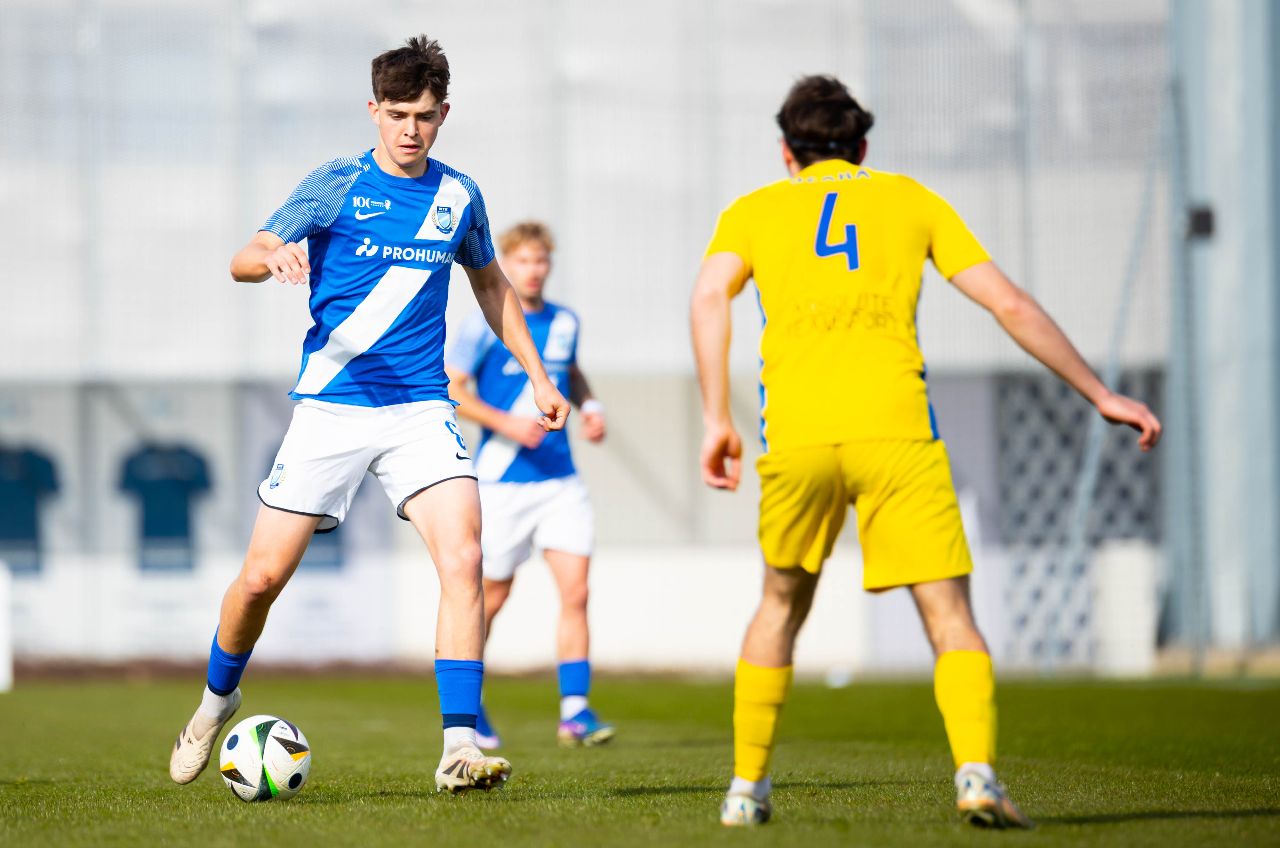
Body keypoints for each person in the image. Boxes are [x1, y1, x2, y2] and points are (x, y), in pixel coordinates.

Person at [690, 75, 1161, 828]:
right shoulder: (911, 200)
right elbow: (1008, 303)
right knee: (948, 616)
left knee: (778, 606)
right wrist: (1099, 392)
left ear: (786, 151)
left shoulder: (752, 211)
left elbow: (709, 295)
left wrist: (718, 416)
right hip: (898, 434)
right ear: (862, 147)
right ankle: (976, 775)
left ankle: (746, 790)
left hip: (800, 437)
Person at [167, 35, 569, 795]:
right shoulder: (336, 183)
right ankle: (215, 702)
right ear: (374, 110)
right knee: (260, 580)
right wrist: (272, 258)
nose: (410, 129)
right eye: (397, 114)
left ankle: (458, 747)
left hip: (420, 409)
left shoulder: (460, 197)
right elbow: (244, 255)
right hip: (332, 408)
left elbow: (490, 286)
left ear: (443, 114)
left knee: (464, 558)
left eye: (424, 115)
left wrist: (538, 375)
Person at [445, 221, 614, 749]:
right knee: (491, 596)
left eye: (540, 261)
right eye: (522, 261)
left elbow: (569, 373)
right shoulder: (484, 324)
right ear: (507, 264)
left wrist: (590, 405)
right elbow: (453, 389)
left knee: (577, 591)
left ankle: (575, 711)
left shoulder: (565, 322)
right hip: (502, 482)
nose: (533, 270)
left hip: (560, 481)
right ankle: (470, 702)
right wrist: (508, 424)